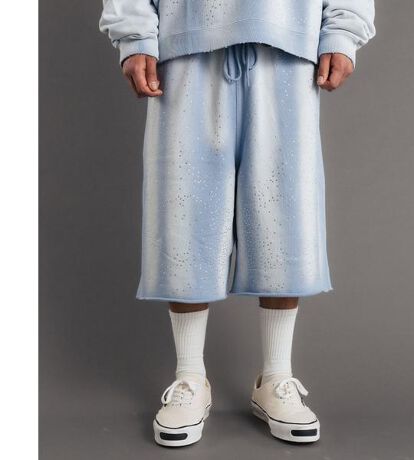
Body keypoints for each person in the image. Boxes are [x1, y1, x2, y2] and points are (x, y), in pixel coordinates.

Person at [99, 0, 375, 447]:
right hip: (186, 43)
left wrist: (343, 30)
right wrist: (134, 35)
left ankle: (277, 376)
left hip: (287, 41)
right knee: (183, 209)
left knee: (286, 211)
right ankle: (190, 376)